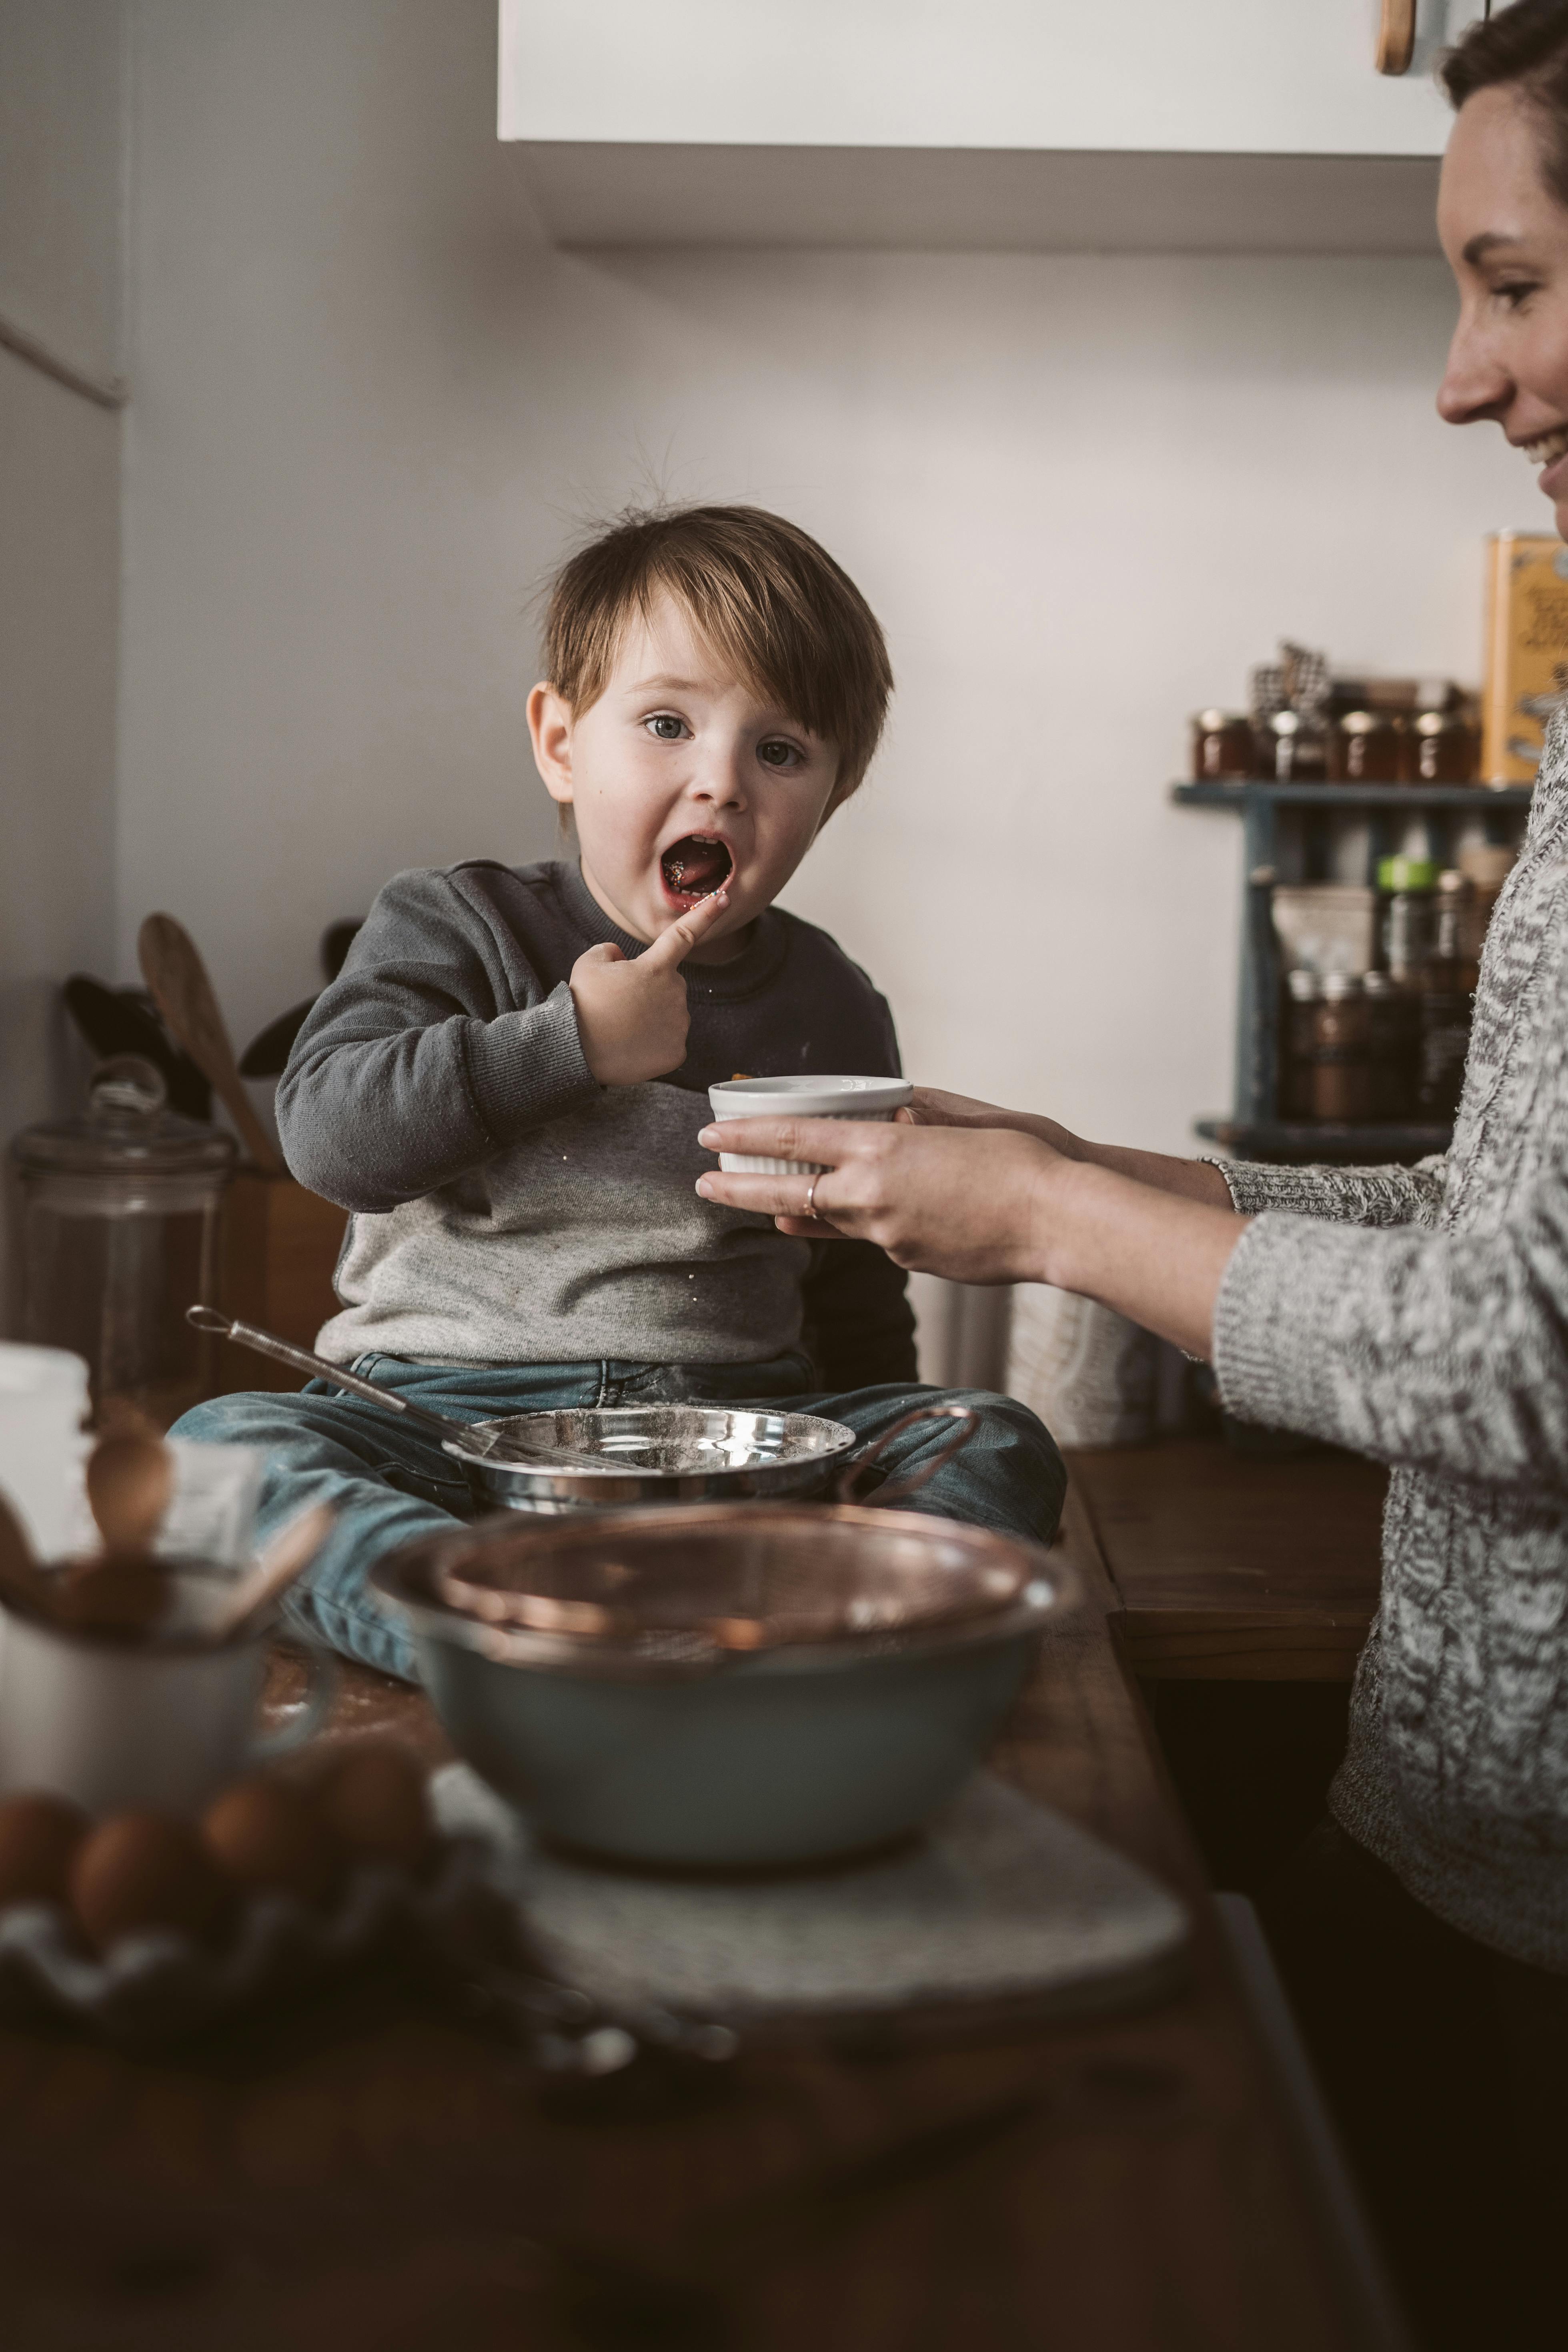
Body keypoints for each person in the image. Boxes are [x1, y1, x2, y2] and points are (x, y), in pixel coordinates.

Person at [696, 10, 1568, 2343]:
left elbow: (1519, 1366)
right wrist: (1087, 1158)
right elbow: (1521, 1256)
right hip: (1459, 1829)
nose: (1464, 378)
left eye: (1513, 279)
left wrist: (1055, 1229)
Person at [173, 504, 1064, 1678]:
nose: (721, 784)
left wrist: (861, 1450)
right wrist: (567, 1045)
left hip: (747, 1449)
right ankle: (498, 1624)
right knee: (220, 1455)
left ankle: (816, 1630)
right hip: (445, 1432)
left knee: (995, 1438)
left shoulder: (834, 1000)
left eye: (781, 751)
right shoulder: (456, 924)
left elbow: (852, 1281)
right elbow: (332, 1136)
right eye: (665, 724)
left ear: (834, 793)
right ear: (559, 742)